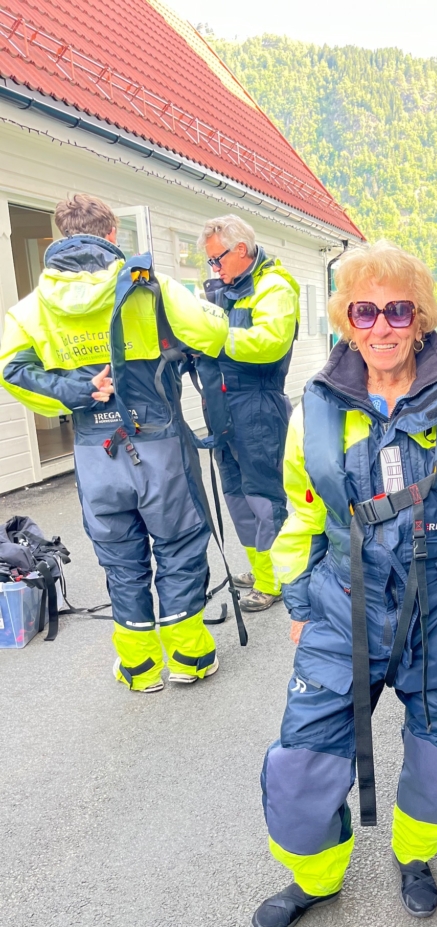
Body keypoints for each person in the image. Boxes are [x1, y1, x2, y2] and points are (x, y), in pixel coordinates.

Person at [252, 240, 437, 927]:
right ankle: (316, 880)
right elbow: (302, 512)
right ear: (347, 321)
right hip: (343, 603)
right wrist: (296, 597)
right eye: (365, 310)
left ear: (422, 317)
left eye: (397, 309)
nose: (381, 326)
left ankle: (414, 857)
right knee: (301, 766)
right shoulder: (313, 409)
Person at [0, 194, 229, 692]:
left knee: (121, 558)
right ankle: (190, 659)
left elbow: (12, 371)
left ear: (60, 237)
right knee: (179, 545)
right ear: (111, 236)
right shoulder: (150, 286)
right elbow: (213, 333)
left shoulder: (33, 305)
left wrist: (78, 390)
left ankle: (140, 668)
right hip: (159, 442)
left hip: (93, 449)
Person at [198, 216, 300, 612]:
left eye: (218, 260)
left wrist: (213, 339)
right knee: (236, 495)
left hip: (258, 402)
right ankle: (261, 572)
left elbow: (270, 343)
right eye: (210, 262)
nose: (215, 269)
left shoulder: (273, 287)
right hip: (224, 405)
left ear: (241, 249)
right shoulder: (224, 289)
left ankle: (275, 580)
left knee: (263, 495)